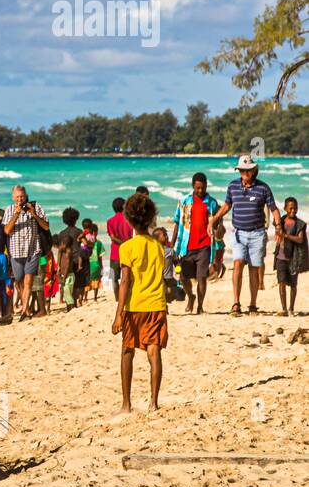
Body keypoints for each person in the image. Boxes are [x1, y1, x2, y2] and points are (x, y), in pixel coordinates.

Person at [111, 192, 167, 415]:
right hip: (156, 304)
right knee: (154, 354)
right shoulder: (158, 247)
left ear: (129, 219)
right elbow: (159, 276)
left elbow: (125, 281)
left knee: (127, 352)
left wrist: (118, 314)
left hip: (134, 306)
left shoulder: (127, 248)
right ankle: (153, 403)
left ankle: (126, 404)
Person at [209, 155, 280, 315]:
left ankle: (253, 305)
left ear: (254, 170)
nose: (245, 173)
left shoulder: (263, 188)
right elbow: (227, 205)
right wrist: (214, 219)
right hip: (239, 233)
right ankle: (236, 303)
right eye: (242, 170)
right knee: (238, 263)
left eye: (247, 170)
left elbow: (274, 208)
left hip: (257, 233)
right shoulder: (233, 186)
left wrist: (278, 226)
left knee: (254, 269)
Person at [170, 172, 218, 315]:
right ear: (193, 186)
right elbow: (177, 223)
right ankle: (191, 297)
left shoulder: (212, 203)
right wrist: (171, 244)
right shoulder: (184, 201)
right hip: (186, 246)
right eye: (198, 188)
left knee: (201, 277)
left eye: (203, 188)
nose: (200, 191)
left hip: (204, 246)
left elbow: (217, 225)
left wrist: (218, 253)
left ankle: (200, 306)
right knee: (184, 277)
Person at [2, 185, 48, 319]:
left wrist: (33, 214)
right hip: (15, 252)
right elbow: (6, 230)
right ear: (13, 197)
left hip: (32, 249)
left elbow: (46, 226)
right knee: (19, 282)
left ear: (26, 195)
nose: (20, 199)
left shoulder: (36, 207)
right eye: (17, 197)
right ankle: (26, 308)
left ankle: (23, 312)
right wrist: (16, 214)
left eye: (21, 196)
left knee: (28, 282)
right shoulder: (9, 209)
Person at [274, 197, 306, 316]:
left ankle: (291, 308)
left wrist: (285, 235)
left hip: (294, 258)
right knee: (281, 282)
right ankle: (284, 309)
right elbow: (275, 222)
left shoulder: (300, 224)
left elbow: (300, 239)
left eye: (295, 208)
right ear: (285, 208)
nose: (293, 210)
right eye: (291, 208)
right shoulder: (280, 221)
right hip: (281, 257)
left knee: (293, 284)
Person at [106, 197, 132, 299]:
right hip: (129, 252)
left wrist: (122, 243)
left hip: (115, 254)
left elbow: (112, 237)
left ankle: (117, 298)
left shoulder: (110, 221)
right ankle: (127, 296)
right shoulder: (129, 220)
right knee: (128, 277)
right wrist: (126, 244)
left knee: (114, 278)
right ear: (124, 207)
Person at [82, 220, 105, 303]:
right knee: (96, 281)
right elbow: (100, 257)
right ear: (96, 232)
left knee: (87, 281)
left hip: (88, 265)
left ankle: (85, 298)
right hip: (96, 265)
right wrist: (101, 267)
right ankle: (95, 298)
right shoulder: (98, 243)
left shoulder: (85, 242)